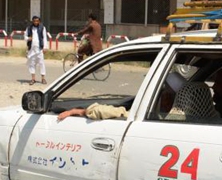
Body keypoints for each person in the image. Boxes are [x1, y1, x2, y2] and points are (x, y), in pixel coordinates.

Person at [57, 72, 186, 122]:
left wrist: (78, 111)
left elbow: (117, 113)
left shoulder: (163, 118)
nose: (160, 96)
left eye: (163, 93)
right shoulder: (184, 117)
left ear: (170, 99)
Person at [25, 15, 47, 85]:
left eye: (37, 21)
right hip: (32, 49)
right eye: (34, 21)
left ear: (39, 21)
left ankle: (43, 78)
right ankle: (33, 79)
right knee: (32, 64)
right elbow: (25, 36)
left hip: (39, 49)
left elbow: (44, 38)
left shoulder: (42, 28)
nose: (36, 22)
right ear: (32, 21)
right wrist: (28, 38)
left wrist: (45, 47)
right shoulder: (29, 28)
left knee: (41, 64)